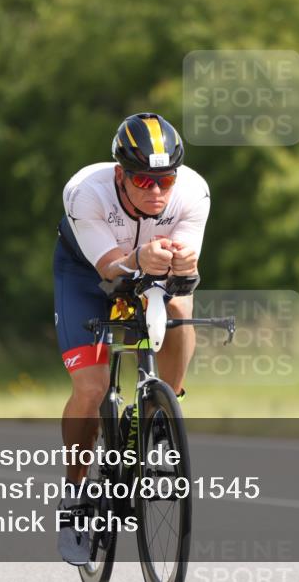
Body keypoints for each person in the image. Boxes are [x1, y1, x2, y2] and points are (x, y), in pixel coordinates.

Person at [53, 112, 210, 565]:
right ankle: (77, 497)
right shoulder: (88, 192)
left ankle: (165, 409)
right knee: (91, 387)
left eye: (165, 180)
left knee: (180, 307)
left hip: (151, 269)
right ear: (121, 174)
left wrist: (184, 272)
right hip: (85, 273)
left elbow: (185, 275)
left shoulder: (194, 192)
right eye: (143, 180)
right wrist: (140, 256)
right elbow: (109, 270)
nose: (157, 192)